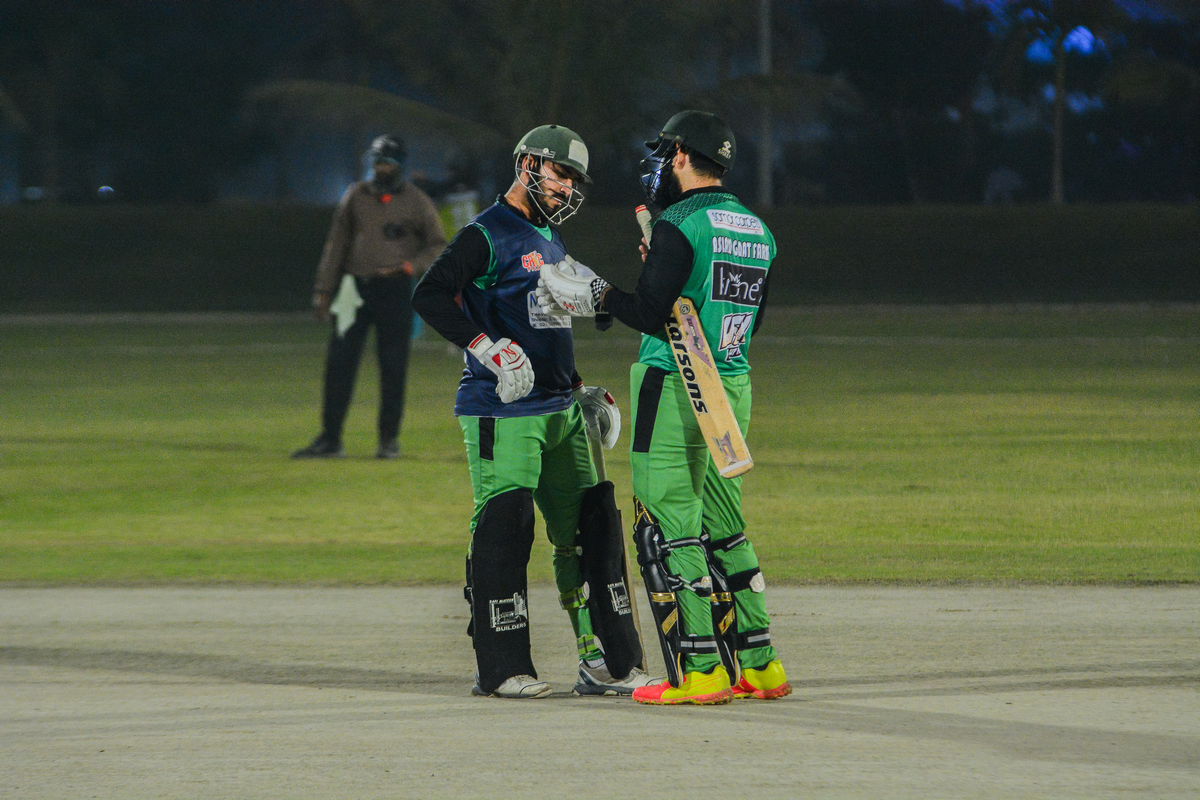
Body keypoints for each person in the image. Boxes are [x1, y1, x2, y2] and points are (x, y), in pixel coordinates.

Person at [538, 111, 791, 705]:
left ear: (680, 155)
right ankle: (760, 663)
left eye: (665, 154)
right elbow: (745, 316)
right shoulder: (758, 229)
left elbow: (652, 314)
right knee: (725, 524)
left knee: (670, 523)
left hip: (673, 382)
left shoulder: (679, 221)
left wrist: (599, 294)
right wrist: (660, 271)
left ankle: (700, 670)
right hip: (732, 384)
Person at [411, 124, 655, 699]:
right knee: (506, 526)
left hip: (559, 408)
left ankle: (604, 661)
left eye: (574, 180)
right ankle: (500, 667)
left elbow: (546, 323)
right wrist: (484, 346)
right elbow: (429, 294)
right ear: (528, 164)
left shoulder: (548, 236)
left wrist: (578, 386)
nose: (568, 187)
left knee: (590, 530)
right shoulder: (486, 233)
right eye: (561, 173)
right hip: (502, 409)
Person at [293, 134, 447, 460]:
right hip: (353, 289)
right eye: (377, 162)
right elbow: (336, 244)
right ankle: (330, 439)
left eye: (387, 162)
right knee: (338, 363)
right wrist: (323, 289)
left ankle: (388, 440)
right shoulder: (355, 196)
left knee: (393, 366)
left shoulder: (417, 201)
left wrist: (411, 266)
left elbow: (438, 245)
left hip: (394, 290)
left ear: (400, 165)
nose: (381, 168)